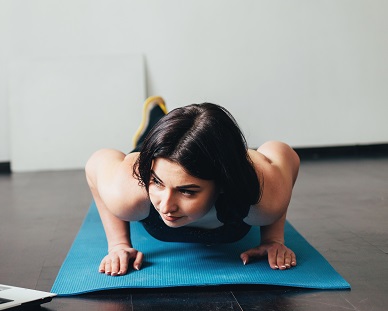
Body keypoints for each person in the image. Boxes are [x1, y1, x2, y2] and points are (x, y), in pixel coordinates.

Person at [85, 96, 300, 276]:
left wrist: (273, 238)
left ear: (223, 185)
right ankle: (155, 114)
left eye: (186, 191)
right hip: (151, 155)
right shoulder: (130, 189)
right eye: (157, 183)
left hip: (231, 161)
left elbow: (284, 154)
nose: (167, 206)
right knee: (151, 137)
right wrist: (119, 244)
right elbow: (96, 164)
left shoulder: (263, 197)